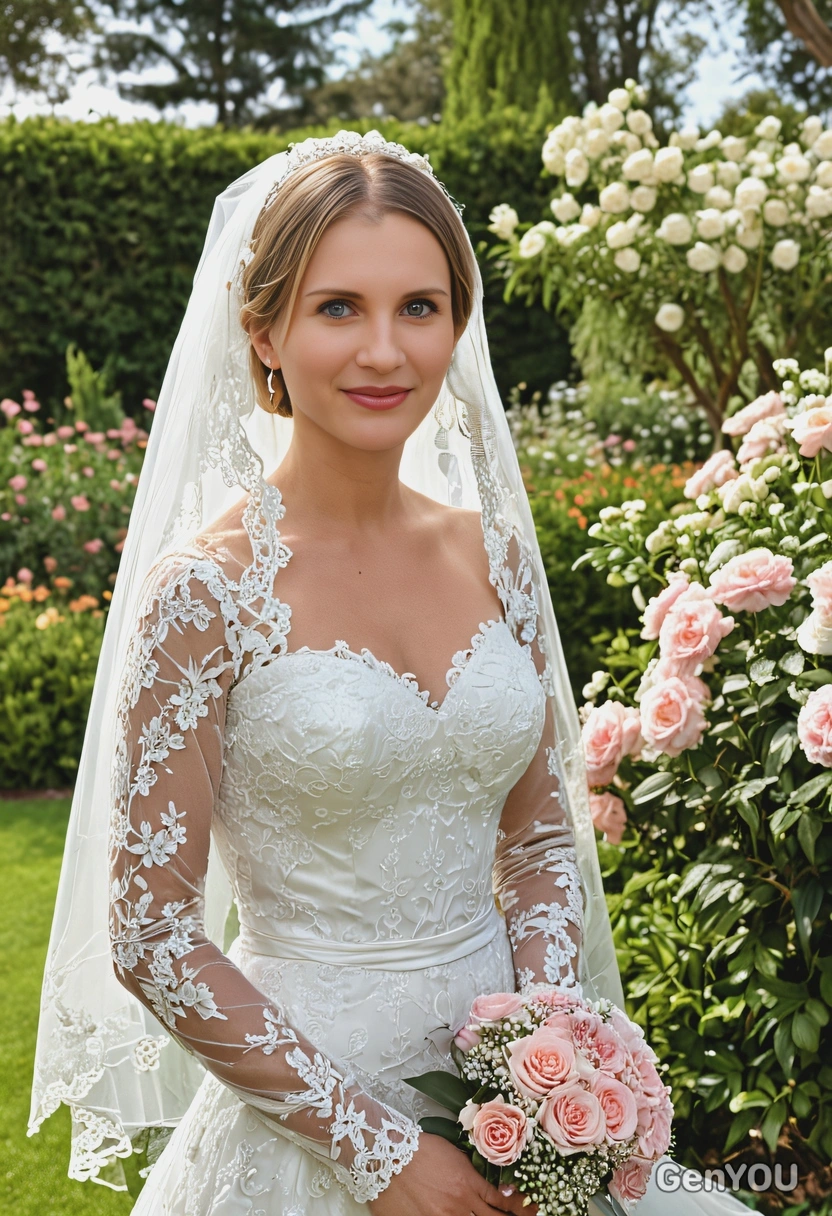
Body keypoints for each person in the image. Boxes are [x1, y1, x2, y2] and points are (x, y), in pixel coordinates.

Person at [29, 131, 751, 1216]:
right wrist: (379, 1152)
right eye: (338, 308)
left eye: (419, 306)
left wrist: (544, 1058)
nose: (385, 350)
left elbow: (539, 840)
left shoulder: (492, 554)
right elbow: (152, 934)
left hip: (516, 1115)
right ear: (263, 331)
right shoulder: (205, 592)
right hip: (313, 1130)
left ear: (457, 323)